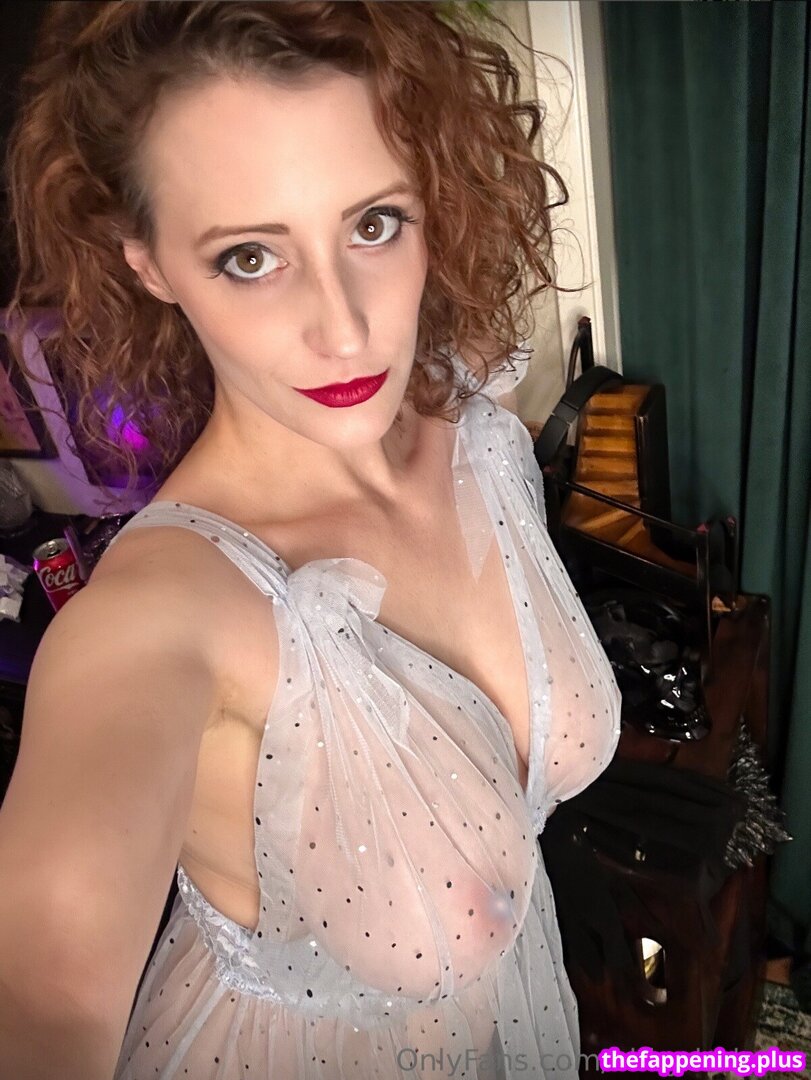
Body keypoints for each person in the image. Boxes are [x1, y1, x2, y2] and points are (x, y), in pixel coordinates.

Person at [0, 3, 622, 1077]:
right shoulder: (160, 615)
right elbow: (41, 993)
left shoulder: (480, 435)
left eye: (374, 224)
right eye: (249, 256)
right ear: (149, 264)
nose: (344, 328)